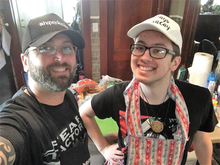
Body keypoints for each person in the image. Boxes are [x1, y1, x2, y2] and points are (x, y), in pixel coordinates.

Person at [80, 14, 218, 165]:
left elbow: (202, 142)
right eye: (140, 47)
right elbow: (84, 113)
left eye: (158, 50)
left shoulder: (197, 98)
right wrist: (104, 148)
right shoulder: (118, 95)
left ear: (175, 63)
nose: (145, 57)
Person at [0, 13, 90, 165]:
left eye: (66, 47)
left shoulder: (68, 96)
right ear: (25, 61)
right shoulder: (18, 118)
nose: (60, 58)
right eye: (46, 48)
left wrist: (103, 142)